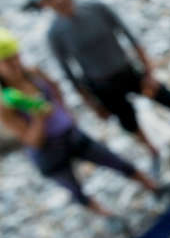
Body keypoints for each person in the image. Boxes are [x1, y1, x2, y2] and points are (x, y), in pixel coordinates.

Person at [29, 0, 170, 173]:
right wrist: (92, 104)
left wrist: (149, 73)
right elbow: (69, 74)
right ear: (45, 3)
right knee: (128, 121)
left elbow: (131, 38)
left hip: (128, 72)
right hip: (102, 85)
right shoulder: (55, 34)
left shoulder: (97, 9)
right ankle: (153, 151)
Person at [0, 28, 157, 216]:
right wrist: (38, 116)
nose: (15, 64)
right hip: (49, 152)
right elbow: (31, 141)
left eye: (15, 57)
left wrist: (64, 112)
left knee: (115, 161)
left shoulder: (33, 73)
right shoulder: (5, 102)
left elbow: (54, 87)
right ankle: (108, 216)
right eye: (7, 61)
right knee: (75, 190)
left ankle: (153, 186)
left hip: (69, 133)